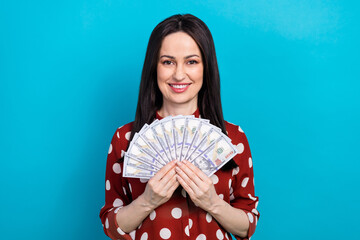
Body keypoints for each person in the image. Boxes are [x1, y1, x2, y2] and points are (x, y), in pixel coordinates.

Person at [99, 14, 259, 240]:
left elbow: (247, 225)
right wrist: (147, 201)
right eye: (168, 62)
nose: (179, 74)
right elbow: (111, 226)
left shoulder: (233, 138)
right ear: (154, 68)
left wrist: (212, 203)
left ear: (206, 67)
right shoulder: (124, 138)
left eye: (191, 61)